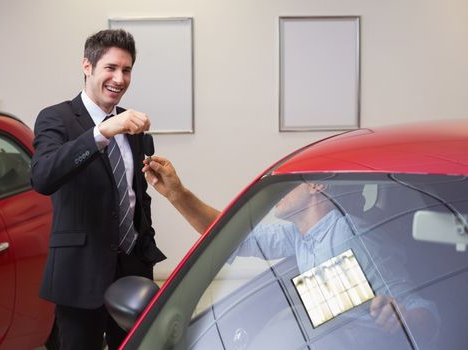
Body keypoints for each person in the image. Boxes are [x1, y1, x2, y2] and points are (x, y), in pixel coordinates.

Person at [142, 155, 438, 341]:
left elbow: (422, 310)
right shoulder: (299, 234)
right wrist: (177, 195)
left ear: (317, 187)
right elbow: (233, 237)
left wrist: (401, 317)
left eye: (292, 185)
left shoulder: (354, 237)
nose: (280, 194)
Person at [31, 29, 166, 350]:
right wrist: (101, 132)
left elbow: (136, 196)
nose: (119, 78)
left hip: (132, 270)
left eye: (127, 70)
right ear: (87, 66)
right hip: (80, 272)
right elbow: (43, 177)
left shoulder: (132, 126)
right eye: (111, 68)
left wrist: (145, 244)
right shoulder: (56, 118)